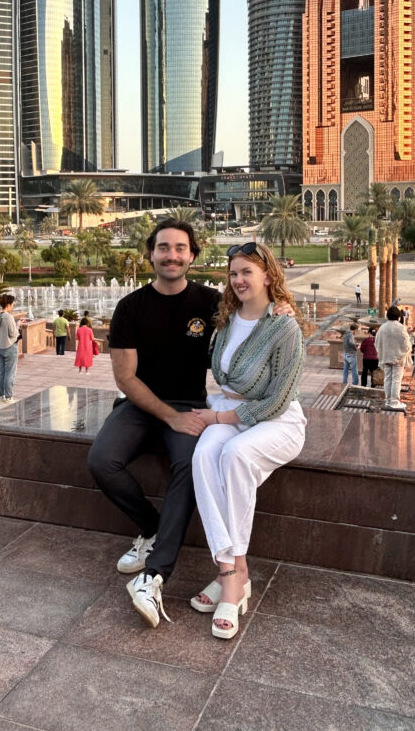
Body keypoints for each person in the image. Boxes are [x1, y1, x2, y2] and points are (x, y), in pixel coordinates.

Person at [87, 220, 294, 628]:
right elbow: (126, 377)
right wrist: (171, 417)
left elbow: (255, 312)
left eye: (180, 248)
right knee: (101, 460)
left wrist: (282, 308)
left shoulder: (210, 303)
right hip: (141, 405)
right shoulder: (130, 307)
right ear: (151, 254)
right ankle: (151, 531)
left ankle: (156, 572)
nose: (172, 255)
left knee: (190, 464)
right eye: (164, 248)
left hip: (190, 403)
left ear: (192, 256)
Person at [190, 242, 305, 639]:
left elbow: (276, 398)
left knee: (235, 455)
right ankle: (232, 571)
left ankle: (232, 580)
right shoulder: (226, 320)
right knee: (204, 453)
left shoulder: (284, 326)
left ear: (268, 276)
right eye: (234, 273)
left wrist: (219, 416)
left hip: (277, 420)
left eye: (247, 273)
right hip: (232, 412)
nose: (239, 280)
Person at [374, 305, 411, 410]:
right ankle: (394, 401)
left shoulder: (382, 327)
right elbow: (407, 345)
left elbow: (377, 343)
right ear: (399, 316)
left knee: (387, 378)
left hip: (385, 357)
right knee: (396, 379)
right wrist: (402, 353)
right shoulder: (401, 328)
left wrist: (382, 353)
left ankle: (388, 400)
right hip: (398, 359)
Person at [0, 294, 20, 403]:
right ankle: (9, 397)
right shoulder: (8, 317)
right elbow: (13, 333)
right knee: (10, 373)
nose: (13, 306)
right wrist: (18, 325)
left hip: (0, 347)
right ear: (8, 304)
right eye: (12, 304)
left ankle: (1, 396)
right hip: (9, 347)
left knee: (2, 372)